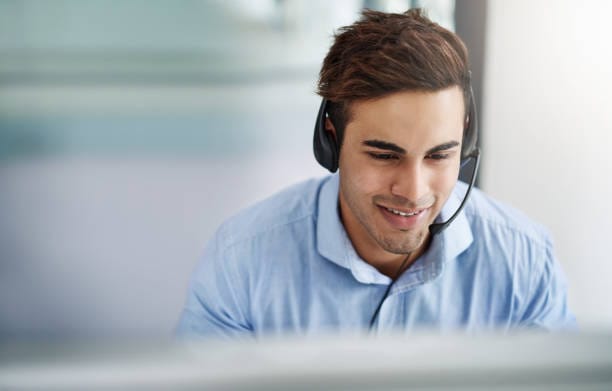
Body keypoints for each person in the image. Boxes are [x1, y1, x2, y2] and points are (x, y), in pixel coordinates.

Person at [176, 8, 576, 338]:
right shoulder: (242, 260)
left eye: (438, 156)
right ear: (331, 141)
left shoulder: (523, 260)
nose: (414, 191)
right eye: (385, 156)